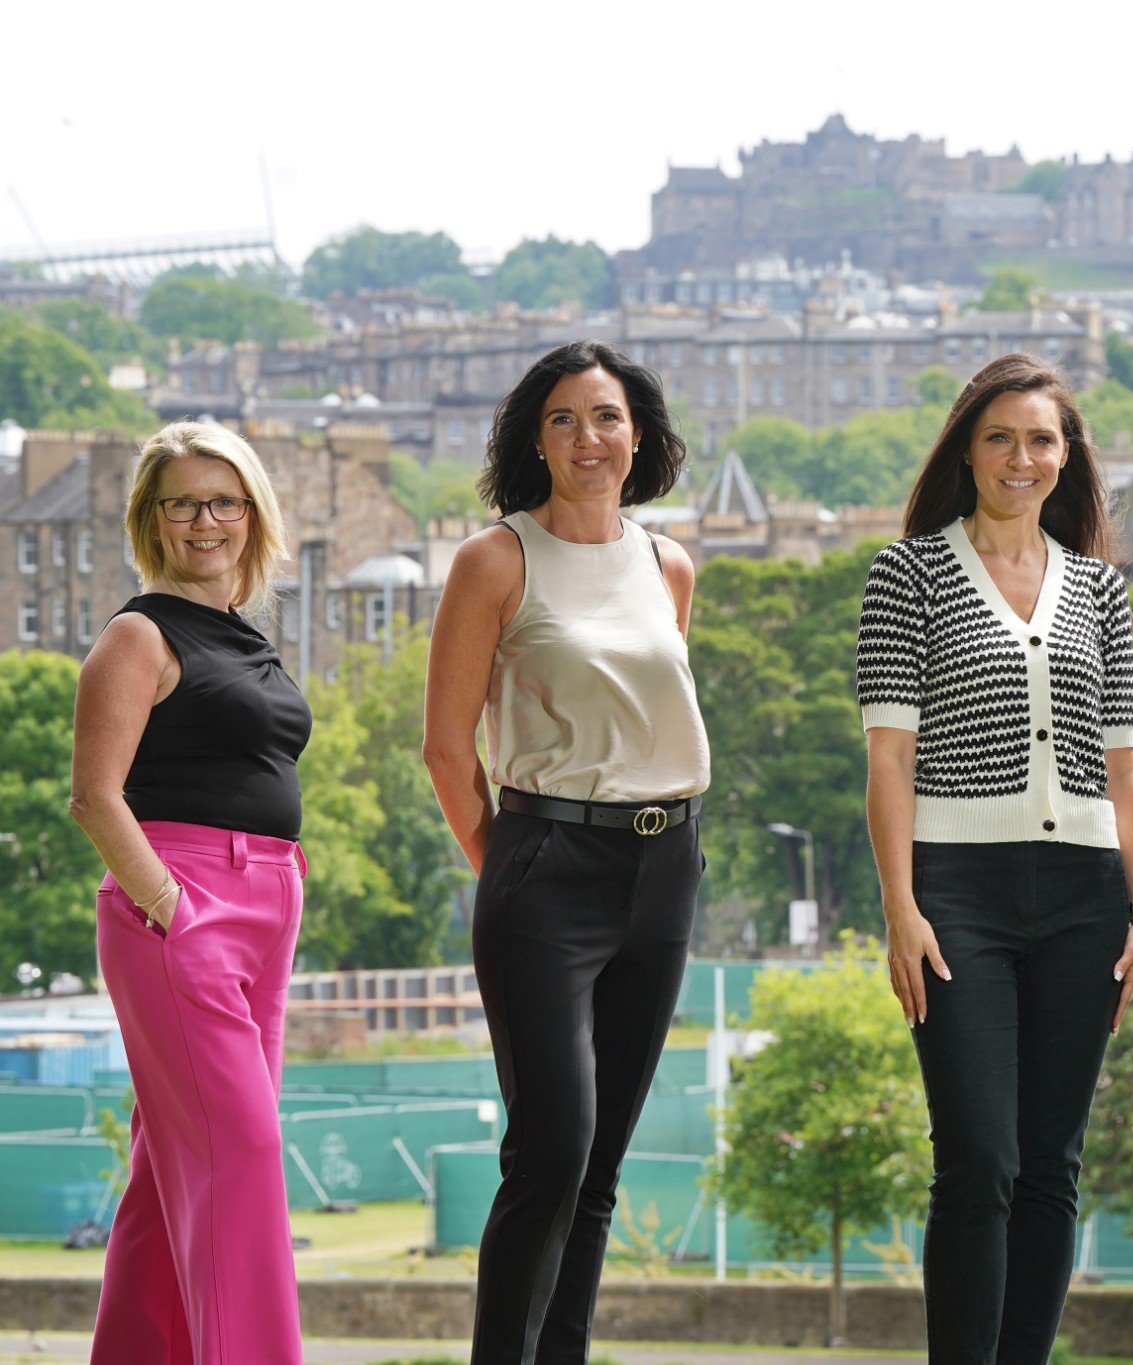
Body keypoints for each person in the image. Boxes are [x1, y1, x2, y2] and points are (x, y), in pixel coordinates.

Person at [857, 352, 1133, 1363]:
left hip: (1084, 896)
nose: (1020, 457)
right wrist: (900, 906)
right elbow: (889, 760)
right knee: (977, 1159)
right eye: (999, 437)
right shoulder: (907, 575)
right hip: (958, 897)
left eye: (1040, 439)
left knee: (1049, 1167)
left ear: (1065, 456)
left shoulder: (1100, 591)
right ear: (967, 451)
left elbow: (1125, 765)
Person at [423, 340, 707, 1365]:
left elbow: (649, 712)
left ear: (639, 435)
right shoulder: (495, 559)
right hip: (545, 859)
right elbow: (448, 749)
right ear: (532, 440)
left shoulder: (667, 563)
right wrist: (511, 869)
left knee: (599, 1170)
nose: (587, 439)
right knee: (549, 1151)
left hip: (666, 862)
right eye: (562, 420)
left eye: (606, 417)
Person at [69, 422, 310, 1364]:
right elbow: (96, 795)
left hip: (266, 914)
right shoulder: (138, 633)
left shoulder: (244, 636)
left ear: (252, 514)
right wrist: (173, 907)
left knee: (175, 1166)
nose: (205, 519)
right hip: (182, 911)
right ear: (152, 518)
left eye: (225, 500)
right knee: (240, 1160)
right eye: (183, 502)